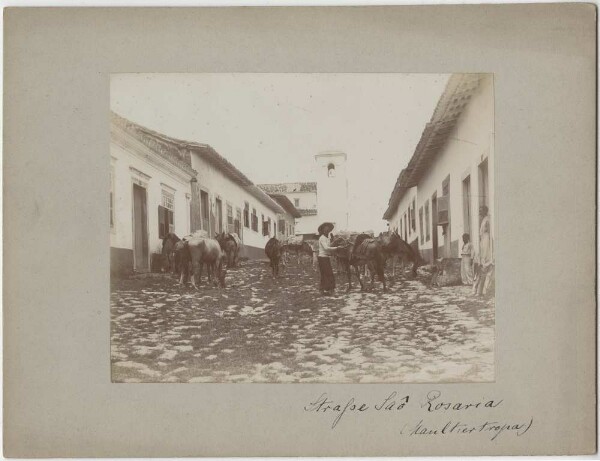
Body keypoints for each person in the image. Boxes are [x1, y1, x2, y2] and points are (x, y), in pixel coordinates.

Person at [473, 205, 494, 296]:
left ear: (485, 211)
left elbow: (489, 232)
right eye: (479, 210)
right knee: (481, 258)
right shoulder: (483, 220)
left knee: (485, 258)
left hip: (486, 240)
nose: (479, 212)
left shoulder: (487, 220)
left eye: (481, 210)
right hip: (483, 240)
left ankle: (484, 289)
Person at [317, 222, 337, 295]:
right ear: (322, 230)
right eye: (325, 229)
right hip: (322, 257)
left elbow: (329, 248)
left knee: (325, 274)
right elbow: (326, 248)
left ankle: (322, 289)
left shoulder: (327, 238)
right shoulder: (322, 238)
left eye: (328, 230)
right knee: (329, 273)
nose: (327, 231)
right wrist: (337, 248)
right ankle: (331, 289)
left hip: (326, 257)